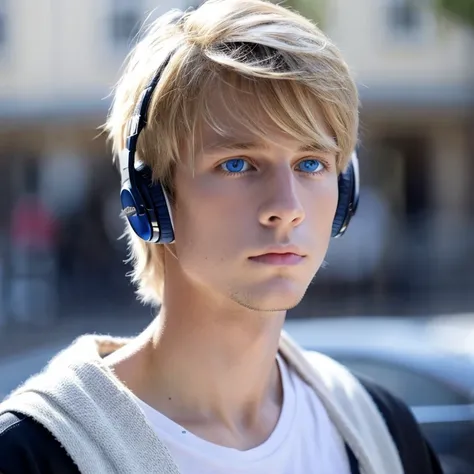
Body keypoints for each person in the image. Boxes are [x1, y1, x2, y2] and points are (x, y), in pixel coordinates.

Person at [0, 1, 443, 473]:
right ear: (153, 199)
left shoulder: (384, 434)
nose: (286, 208)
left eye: (310, 163)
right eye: (237, 164)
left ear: (345, 189)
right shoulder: (32, 455)